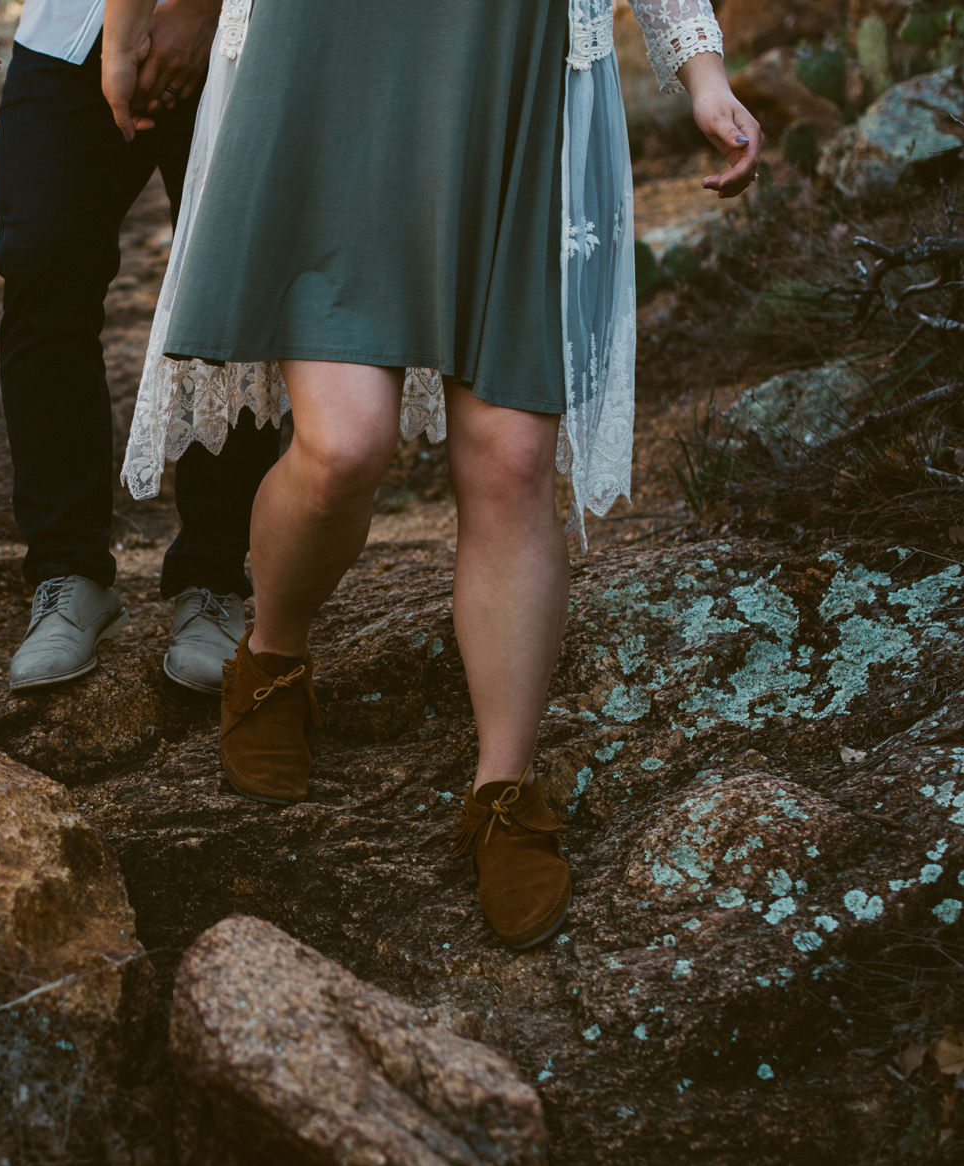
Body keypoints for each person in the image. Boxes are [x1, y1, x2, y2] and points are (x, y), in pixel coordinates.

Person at [102, 0, 761, 947]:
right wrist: (128, 28)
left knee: (511, 459)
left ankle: (503, 787)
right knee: (342, 450)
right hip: (331, 53)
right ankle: (273, 654)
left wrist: (702, 73)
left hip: (510, 66)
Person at [0, 0, 280, 695]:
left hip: (238, 38)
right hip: (67, 31)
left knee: (236, 283)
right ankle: (68, 575)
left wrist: (196, 7)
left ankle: (214, 579)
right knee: (42, 268)